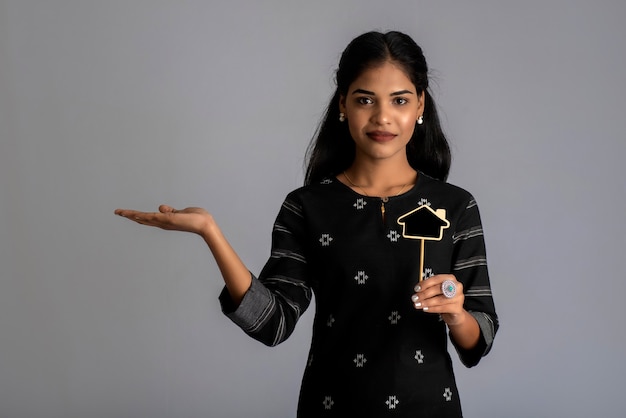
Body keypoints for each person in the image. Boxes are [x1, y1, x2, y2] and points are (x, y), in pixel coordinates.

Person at [115, 30, 498, 417]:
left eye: (399, 100)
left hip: (429, 407)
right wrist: (209, 232)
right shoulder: (307, 207)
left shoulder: (457, 206)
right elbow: (272, 323)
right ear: (343, 105)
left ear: (420, 105)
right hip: (332, 406)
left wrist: (456, 314)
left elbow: (479, 337)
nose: (382, 116)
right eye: (365, 99)